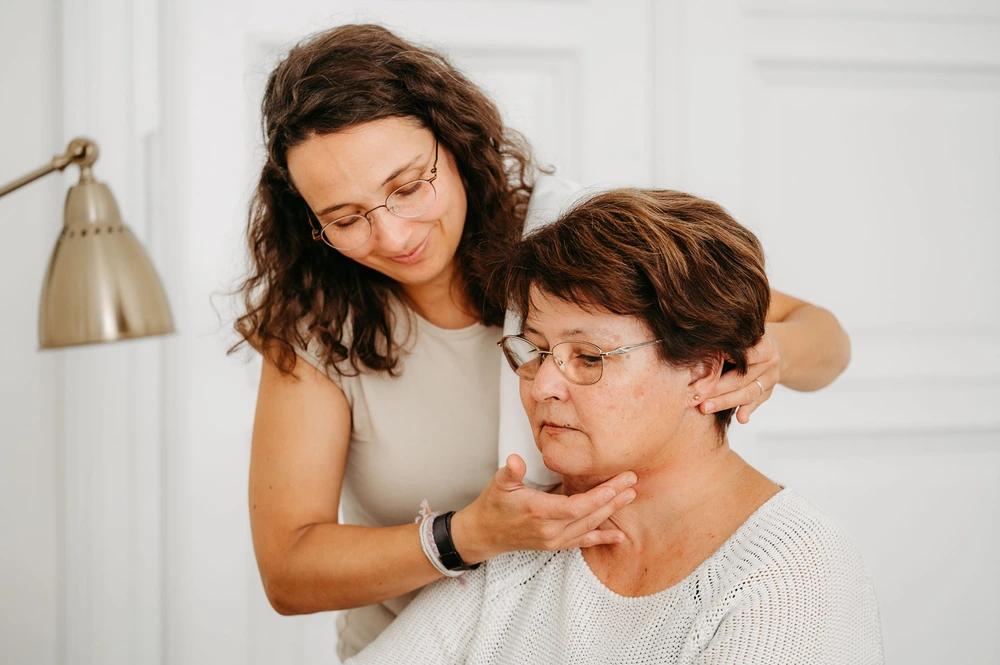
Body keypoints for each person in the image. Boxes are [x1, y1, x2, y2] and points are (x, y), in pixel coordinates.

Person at [233, 24, 852, 660]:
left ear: (455, 140)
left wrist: (764, 354)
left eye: (409, 186)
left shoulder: (568, 246)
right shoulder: (319, 323)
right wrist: (466, 537)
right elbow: (289, 569)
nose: (391, 236)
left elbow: (822, 336)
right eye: (344, 218)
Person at [344, 188, 883, 665]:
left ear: (704, 368)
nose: (541, 386)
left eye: (589, 357)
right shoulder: (524, 538)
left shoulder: (791, 580)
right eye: (535, 350)